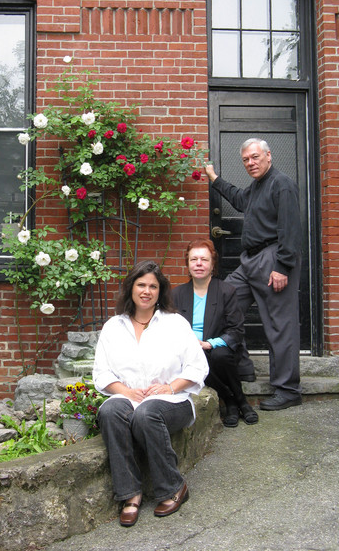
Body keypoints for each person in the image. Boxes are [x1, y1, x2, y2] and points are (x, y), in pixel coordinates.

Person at [93, 260, 208, 527]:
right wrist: (127, 392)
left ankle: (173, 487)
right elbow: (101, 373)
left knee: (147, 414)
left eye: (153, 286)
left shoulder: (175, 324)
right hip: (128, 397)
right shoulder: (113, 327)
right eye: (141, 284)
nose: (147, 291)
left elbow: (197, 366)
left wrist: (169, 387)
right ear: (131, 288)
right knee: (110, 411)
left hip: (172, 401)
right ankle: (130, 494)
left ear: (160, 291)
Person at [205, 138, 302, 411]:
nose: (251, 163)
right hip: (250, 262)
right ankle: (243, 366)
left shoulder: (281, 184)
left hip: (274, 258)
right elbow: (239, 199)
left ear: (269, 156)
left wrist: (282, 266)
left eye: (255, 157)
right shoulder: (258, 187)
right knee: (224, 301)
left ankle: (287, 389)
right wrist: (215, 179)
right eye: (246, 159)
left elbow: (290, 228)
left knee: (279, 325)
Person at [172, 239, 258, 428]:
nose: (199, 264)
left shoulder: (226, 291)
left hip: (218, 348)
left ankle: (239, 401)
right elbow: (171, 329)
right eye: (194, 259)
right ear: (187, 264)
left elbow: (236, 330)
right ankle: (233, 401)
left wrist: (209, 343)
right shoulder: (177, 294)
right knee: (195, 358)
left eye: (204, 259)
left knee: (218, 355)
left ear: (213, 265)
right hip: (189, 350)